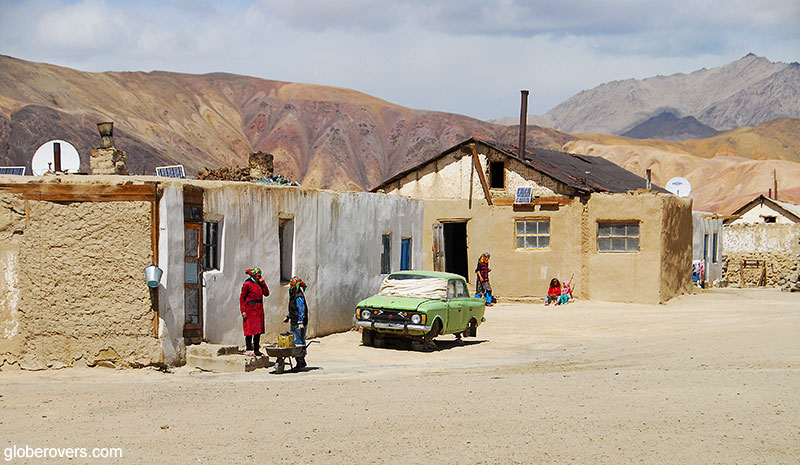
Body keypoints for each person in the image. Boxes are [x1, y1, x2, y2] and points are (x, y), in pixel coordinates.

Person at [239, 267, 269, 357]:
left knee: (258, 331)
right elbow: (242, 298)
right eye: (258, 276)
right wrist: (243, 311)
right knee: (250, 330)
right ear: (253, 276)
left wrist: (264, 284)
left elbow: (266, 293)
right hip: (250, 310)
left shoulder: (259, 284)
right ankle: (248, 349)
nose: (259, 277)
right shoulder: (247, 284)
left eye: (260, 275)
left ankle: (256, 350)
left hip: (258, 309)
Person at [285, 276, 309, 370]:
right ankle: (301, 361)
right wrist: (288, 316)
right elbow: (293, 309)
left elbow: (301, 310)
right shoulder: (294, 294)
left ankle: (300, 362)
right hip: (295, 321)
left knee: (298, 341)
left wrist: (300, 321)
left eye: (291, 284)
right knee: (298, 341)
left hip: (298, 323)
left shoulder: (299, 296)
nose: (290, 286)